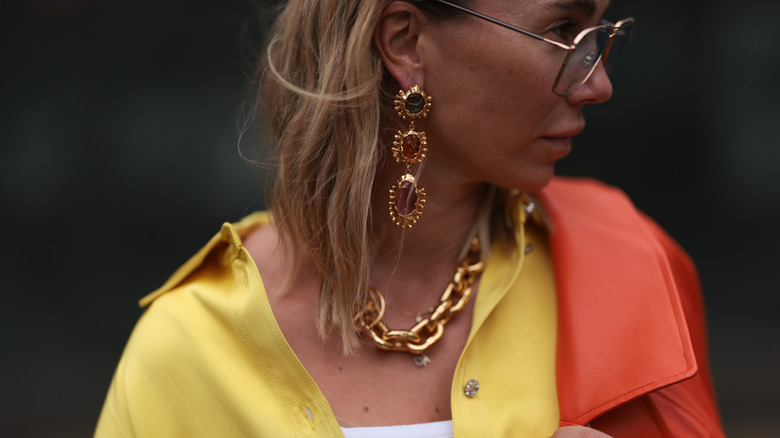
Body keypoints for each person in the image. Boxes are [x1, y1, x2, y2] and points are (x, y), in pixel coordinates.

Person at [96, 0, 725, 437]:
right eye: (565, 31)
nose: (598, 84)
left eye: (603, 36)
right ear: (405, 43)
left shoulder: (630, 266)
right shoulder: (186, 350)